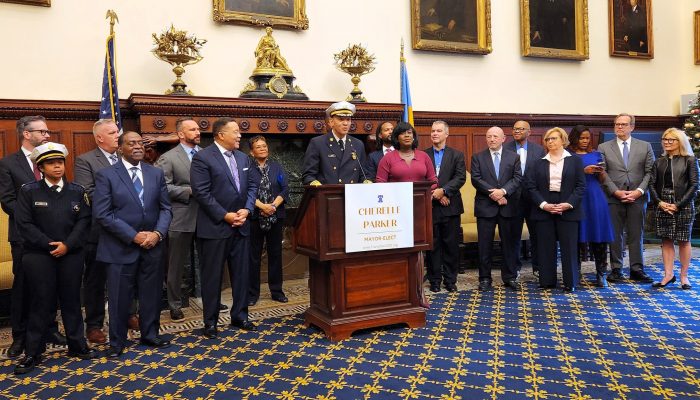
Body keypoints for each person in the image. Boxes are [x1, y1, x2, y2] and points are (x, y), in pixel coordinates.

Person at [13, 143, 98, 374]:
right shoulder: (29, 191)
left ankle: (77, 345)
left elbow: (84, 221)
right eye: (51, 163)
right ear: (41, 167)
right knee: (41, 303)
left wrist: (67, 245)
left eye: (60, 162)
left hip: (71, 254)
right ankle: (33, 352)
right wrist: (49, 245)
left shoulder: (77, 191)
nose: (57, 166)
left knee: (71, 301)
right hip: (39, 255)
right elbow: (24, 224)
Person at [93, 131, 173, 358]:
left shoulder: (155, 173)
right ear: (120, 148)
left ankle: (150, 334)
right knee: (119, 297)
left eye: (140, 143)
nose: (138, 146)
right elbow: (103, 214)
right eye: (132, 143)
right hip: (120, 247)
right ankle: (117, 342)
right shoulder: (106, 175)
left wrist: (157, 233)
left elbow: (166, 208)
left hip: (153, 246)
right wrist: (134, 236)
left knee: (151, 293)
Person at [0, 115, 65, 358]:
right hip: (24, 238)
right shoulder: (8, 164)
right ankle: (20, 336)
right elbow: (8, 202)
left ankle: (50, 329)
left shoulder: (53, 160)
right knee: (24, 287)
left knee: (51, 284)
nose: (47, 135)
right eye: (42, 132)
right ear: (26, 134)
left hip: (53, 235)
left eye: (47, 132)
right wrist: (36, 223)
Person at [191, 117, 258, 338]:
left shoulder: (243, 158)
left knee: (241, 275)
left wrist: (247, 210)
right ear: (221, 135)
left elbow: (252, 187)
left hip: (242, 225)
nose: (240, 135)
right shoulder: (202, 158)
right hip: (215, 227)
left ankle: (240, 315)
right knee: (212, 277)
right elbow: (201, 193)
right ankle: (210, 322)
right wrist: (225, 215)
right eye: (236, 132)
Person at [376, 121, 437, 308]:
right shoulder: (388, 159)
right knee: (399, 252)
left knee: (418, 252)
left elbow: (433, 180)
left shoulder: (424, 156)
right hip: (396, 213)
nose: (407, 136)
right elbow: (380, 183)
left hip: (420, 211)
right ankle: (397, 293)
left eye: (410, 133)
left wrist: (428, 193)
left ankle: (419, 293)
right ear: (397, 137)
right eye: (403, 133)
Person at [74, 118, 124, 344]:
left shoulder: (126, 157)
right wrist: (125, 204)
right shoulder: (85, 161)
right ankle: (94, 324)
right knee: (95, 279)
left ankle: (128, 314)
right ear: (99, 138)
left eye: (117, 132)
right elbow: (89, 192)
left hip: (128, 228)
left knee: (127, 275)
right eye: (113, 132)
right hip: (99, 230)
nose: (118, 136)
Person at [525, 127, 586, 292]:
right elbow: (531, 187)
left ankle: (570, 282)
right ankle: (547, 281)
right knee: (545, 246)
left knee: (569, 247)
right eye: (547, 139)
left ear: (563, 140)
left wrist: (569, 204)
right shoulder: (538, 162)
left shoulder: (575, 160)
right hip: (544, 206)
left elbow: (580, 186)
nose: (550, 142)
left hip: (568, 206)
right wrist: (544, 205)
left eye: (553, 138)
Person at [154, 118, 201, 321]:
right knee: (175, 265)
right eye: (193, 129)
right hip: (181, 217)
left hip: (208, 217)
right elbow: (162, 187)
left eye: (198, 128)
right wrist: (189, 191)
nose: (198, 132)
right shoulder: (169, 158)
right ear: (181, 134)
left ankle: (210, 298)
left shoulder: (206, 155)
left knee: (208, 262)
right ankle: (174, 304)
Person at [598, 113, 655, 283]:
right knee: (615, 235)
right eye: (617, 124)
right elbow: (602, 172)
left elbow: (650, 172)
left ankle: (636, 269)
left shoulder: (645, 146)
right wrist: (615, 191)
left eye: (623, 124)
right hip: (614, 197)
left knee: (636, 234)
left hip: (638, 197)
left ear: (632, 127)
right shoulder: (604, 147)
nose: (619, 127)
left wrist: (639, 191)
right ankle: (616, 269)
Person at [470, 126, 522, 292]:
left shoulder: (514, 157)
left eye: (495, 136)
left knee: (509, 244)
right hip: (486, 206)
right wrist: (495, 194)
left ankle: (510, 277)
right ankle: (485, 278)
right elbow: (476, 179)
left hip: (508, 206)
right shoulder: (478, 157)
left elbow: (517, 178)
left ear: (503, 138)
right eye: (489, 136)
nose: (491, 139)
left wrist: (503, 192)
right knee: (484, 245)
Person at [648, 128, 699, 290]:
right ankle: (668, 275)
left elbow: (695, 185)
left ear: (680, 142)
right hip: (663, 203)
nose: (667, 142)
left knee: (684, 240)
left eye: (671, 140)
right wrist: (659, 203)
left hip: (683, 203)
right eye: (665, 139)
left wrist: (678, 205)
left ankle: (684, 277)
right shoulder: (659, 161)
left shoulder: (690, 160)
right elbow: (652, 184)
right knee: (666, 240)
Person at [568, 125, 615, 287]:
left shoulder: (596, 154)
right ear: (574, 138)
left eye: (587, 138)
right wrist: (583, 171)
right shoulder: (568, 155)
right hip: (577, 198)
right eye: (582, 138)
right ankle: (576, 273)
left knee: (599, 234)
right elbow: (564, 178)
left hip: (596, 198)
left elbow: (602, 180)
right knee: (577, 237)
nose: (585, 141)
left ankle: (601, 274)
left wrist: (601, 172)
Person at [424, 121, 466, 293]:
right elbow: (422, 177)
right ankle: (434, 280)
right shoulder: (423, 155)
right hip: (430, 206)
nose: (435, 133)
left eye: (439, 131)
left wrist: (445, 191)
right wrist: (437, 194)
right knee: (433, 246)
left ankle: (450, 280)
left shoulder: (457, 155)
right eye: (433, 131)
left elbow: (460, 177)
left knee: (451, 245)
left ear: (446, 134)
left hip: (451, 207)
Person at [248, 136, 289, 306]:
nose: (263, 149)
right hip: (255, 217)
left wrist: (272, 206)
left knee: (275, 255)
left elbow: (285, 189)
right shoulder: (247, 169)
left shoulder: (277, 167)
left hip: (275, 216)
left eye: (264, 146)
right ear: (252, 152)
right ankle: (252, 294)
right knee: (253, 257)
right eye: (258, 147)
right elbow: (244, 192)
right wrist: (262, 207)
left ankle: (277, 291)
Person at [504, 120, 546, 279]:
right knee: (512, 235)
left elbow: (542, 174)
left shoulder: (539, 150)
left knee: (537, 234)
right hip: (512, 198)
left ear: (529, 132)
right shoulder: (505, 148)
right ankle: (514, 267)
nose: (517, 131)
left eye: (521, 129)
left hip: (533, 199)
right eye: (514, 129)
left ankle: (538, 266)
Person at [301, 101, 370, 185]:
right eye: (341, 119)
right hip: (328, 195)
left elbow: (363, 174)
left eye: (348, 119)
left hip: (351, 195)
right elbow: (308, 175)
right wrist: (313, 183)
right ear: (331, 122)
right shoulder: (318, 143)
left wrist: (366, 181)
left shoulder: (358, 144)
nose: (345, 123)